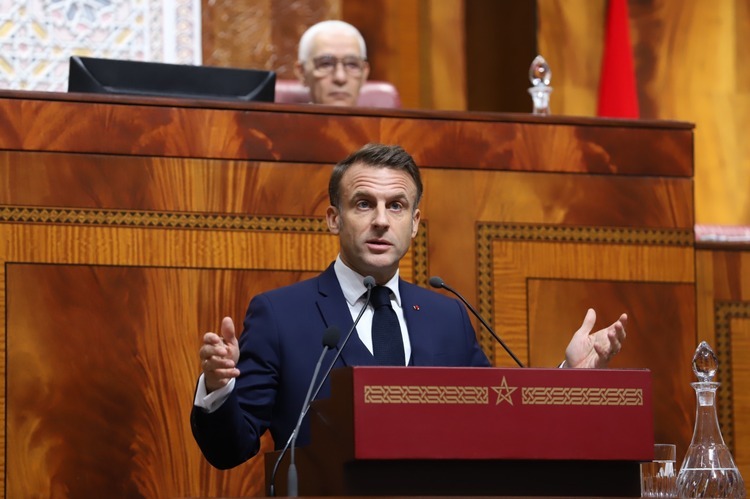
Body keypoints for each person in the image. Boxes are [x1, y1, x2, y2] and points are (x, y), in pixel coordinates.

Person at [191, 143, 628, 470]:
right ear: (333, 219)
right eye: (364, 203)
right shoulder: (280, 314)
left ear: (414, 223)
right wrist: (218, 388)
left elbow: (502, 424)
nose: (381, 219)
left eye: (396, 206)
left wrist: (568, 376)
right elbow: (231, 449)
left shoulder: (447, 316)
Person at [293, 20, 370, 106]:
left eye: (352, 65)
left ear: (364, 74)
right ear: (302, 73)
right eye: (326, 64)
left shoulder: (384, 119)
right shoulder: (285, 119)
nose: (340, 77)